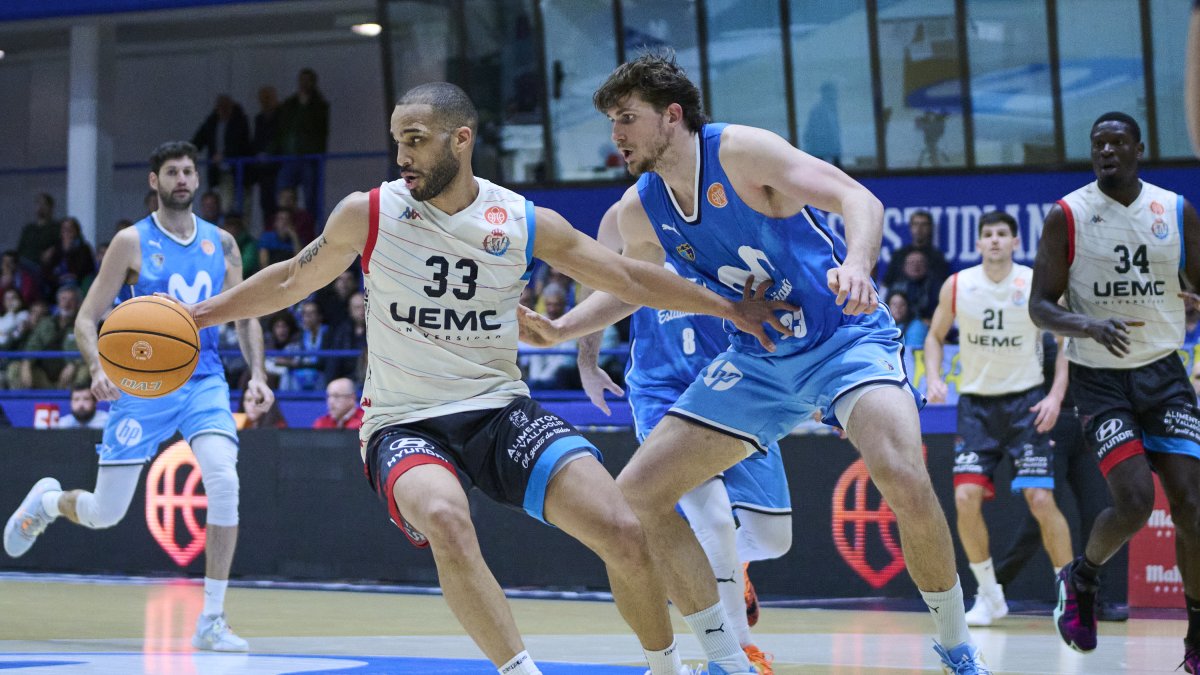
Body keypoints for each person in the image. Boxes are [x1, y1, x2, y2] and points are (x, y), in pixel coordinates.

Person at [185, 81, 790, 675]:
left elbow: (627, 278)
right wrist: (199, 315)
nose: (403, 156)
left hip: (498, 410)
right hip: (403, 421)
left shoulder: (522, 221)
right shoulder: (368, 213)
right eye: (398, 140)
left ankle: (677, 667)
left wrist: (733, 308)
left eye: (416, 140)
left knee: (624, 530)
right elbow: (292, 279)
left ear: (461, 139)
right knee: (447, 518)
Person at [519, 52, 987, 674]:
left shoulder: (741, 152)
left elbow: (857, 198)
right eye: (612, 122)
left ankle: (957, 648)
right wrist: (561, 329)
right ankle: (724, 658)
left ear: (672, 116)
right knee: (635, 496)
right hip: (761, 359)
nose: (617, 136)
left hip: (844, 339)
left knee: (902, 473)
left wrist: (857, 264)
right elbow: (632, 285)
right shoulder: (642, 207)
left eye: (627, 118)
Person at [2, 141, 273, 653]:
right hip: (145, 385)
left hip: (205, 380)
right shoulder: (130, 242)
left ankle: (211, 619)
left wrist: (257, 373)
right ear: (154, 180)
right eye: (172, 171)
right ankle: (47, 502)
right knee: (106, 512)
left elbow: (246, 315)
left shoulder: (225, 245)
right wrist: (97, 368)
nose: (182, 179)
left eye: (190, 171)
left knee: (223, 478)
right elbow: (86, 319)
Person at [574, 202, 791, 673]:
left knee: (773, 539)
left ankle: (730, 567)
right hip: (661, 389)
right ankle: (736, 655)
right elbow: (597, 284)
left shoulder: (725, 203)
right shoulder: (620, 217)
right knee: (713, 522)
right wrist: (587, 361)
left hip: (733, 377)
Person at [1029, 112, 1200, 670]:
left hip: (1165, 373)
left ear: (1138, 149)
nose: (1106, 150)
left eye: (1117, 142)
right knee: (1133, 502)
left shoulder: (1174, 209)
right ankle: (1082, 579)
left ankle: (1196, 640)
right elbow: (1040, 306)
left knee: (1192, 506)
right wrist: (1088, 325)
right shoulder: (1068, 215)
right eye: (1098, 142)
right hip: (1100, 379)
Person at [923, 210, 1074, 626]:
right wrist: (934, 377)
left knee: (1041, 500)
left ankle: (1069, 595)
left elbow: (1067, 343)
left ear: (1015, 242)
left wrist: (1056, 395)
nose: (994, 240)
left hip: (1026, 404)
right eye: (987, 234)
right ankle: (990, 595)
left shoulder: (1032, 283)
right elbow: (934, 337)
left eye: (1002, 234)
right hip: (976, 407)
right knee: (964, 499)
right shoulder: (958, 285)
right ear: (977, 243)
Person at [993, 333, 1130, 623]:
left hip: (1088, 430)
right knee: (1035, 522)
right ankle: (993, 589)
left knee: (1097, 516)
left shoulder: (1090, 336)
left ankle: (1094, 599)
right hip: (1049, 430)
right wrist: (1029, 431)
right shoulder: (1037, 339)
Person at [275, 68, 330, 219]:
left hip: (309, 157)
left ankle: (310, 227)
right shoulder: (289, 104)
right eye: (302, 80)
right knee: (283, 193)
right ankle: (284, 223)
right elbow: (283, 129)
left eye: (307, 80)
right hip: (289, 156)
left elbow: (319, 130)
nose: (304, 84)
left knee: (310, 197)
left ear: (313, 83)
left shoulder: (319, 105)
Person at [191, 94, 252, 211]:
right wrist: (182, 153)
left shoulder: (240, 121)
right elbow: (198, 141)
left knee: (242, 207)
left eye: (226, 108)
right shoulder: (212, 122)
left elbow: (242, 144)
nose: (222, 111)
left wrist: (225, 155)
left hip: (239, 172)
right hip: (221, 173)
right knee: (225, 206)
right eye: (220, 108)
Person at [883, 210, 950, 290]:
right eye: (916, 224)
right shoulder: (899, 255)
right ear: (910, 227)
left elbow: (942, 285)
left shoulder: (937, 257)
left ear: (930, 228)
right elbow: (887, 283)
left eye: (924, 224)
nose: (919, 229)